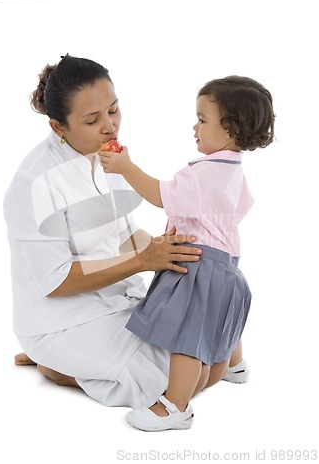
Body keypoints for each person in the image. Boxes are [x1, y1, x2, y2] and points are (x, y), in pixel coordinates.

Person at [4, 54, 244, 410]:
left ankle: (81, 365)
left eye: (113, 110)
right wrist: (143, 261)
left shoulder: (108, 157)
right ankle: (57, 367)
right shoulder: (32, 184)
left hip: (120, 301)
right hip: (62, 321)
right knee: (174, 381)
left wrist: (172, 250)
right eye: (92, 119)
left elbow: (126, 232)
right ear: (59, 127)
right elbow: (54, 282)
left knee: (207, 368)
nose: (110, 126)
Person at [98, 75, 275, 430]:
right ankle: (235, 365)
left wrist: (126, 168)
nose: (194, 127)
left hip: (199, 262)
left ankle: (176, 407)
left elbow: (162, 195)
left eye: (202, 120)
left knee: (188, 334)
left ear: (232, 129)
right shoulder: (232, 168)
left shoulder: (203, 173)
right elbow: (240, 208)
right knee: (218, 316)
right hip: (226, 263)